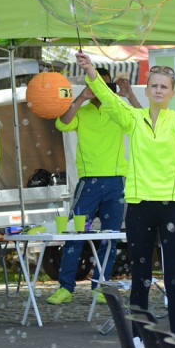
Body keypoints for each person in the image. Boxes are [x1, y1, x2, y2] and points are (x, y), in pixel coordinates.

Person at [75, 48, 175, 344]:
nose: (159, 90)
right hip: (139, 207)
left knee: (174, 280)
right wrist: (91, 70)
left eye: (164, 87)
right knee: (140, 281)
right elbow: (107, 98)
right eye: (154, 86)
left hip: (173, 208)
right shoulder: (133, 119)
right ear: (145, 90)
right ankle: (138, 345)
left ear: (172, 92)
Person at [47, 68, 141, 305]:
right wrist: (81, 97)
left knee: (110, 237)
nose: (102, 90)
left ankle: (100, 286)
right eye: (97, 85)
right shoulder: (84, 110)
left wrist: (128, 94)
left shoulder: (117, 110)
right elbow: (62, 123)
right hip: (88, 182)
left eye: (107, 86)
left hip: (115, 182)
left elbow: (144, 121)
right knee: (74, 234)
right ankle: (65, 288)